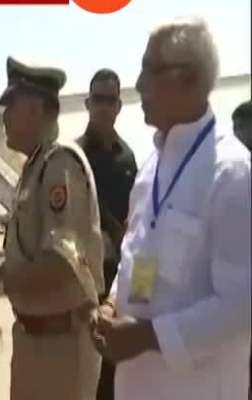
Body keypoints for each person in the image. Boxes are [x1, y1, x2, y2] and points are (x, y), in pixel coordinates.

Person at [90, 18, 251, 400]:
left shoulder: (233, 174)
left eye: (151, 70)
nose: (140, 84)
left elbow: (241, 305)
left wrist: (148, 337)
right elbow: (136, 253)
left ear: (190, 79)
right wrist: (112, 301)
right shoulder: (152, 167)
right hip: (136, 387)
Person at [0, 57, 104, 400]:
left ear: (38, 110)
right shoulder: (36, 168)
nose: (5, 115)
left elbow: (59, 263)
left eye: (12, 105)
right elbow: (28, 254)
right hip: (35, 339)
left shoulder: (60, 165)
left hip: (61, 345)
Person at [76, 68, 137, 400]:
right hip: (85, 286)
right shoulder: (73, 156)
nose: (103, 107)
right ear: (87, 103)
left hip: (119, 285)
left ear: (119, 105)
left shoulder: (127, 159)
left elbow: (137, 224)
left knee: (116, 380)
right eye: (97, 99)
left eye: (109, 100)